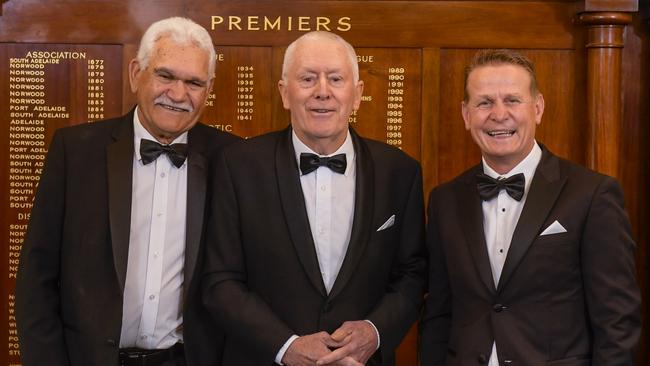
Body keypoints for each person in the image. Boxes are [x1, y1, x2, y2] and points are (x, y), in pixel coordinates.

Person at [16, 17, 240, 366]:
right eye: (165, 76)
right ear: (137, 73)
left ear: (208, 89)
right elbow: (37, 278)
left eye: (194, 82)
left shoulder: (232, 159)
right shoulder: (74, 151)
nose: (178, 95)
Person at [201, 31, 426, 366]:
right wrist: (285, 346)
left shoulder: (400, 171)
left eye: (336, 79)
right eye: (307, 78)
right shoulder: (237, 165)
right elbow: (219, 280)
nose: (323, 91)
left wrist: (374, 331)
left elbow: (413, 273)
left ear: (357, 93)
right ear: (285, 93)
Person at [419, 49, 641, 365]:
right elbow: (438, 312)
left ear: (537, 108)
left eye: (512, 100)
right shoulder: (444, 200)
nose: (498, 114)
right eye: (484, 102)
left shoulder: (592, 194)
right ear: (466, 115)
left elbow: (616, 319)